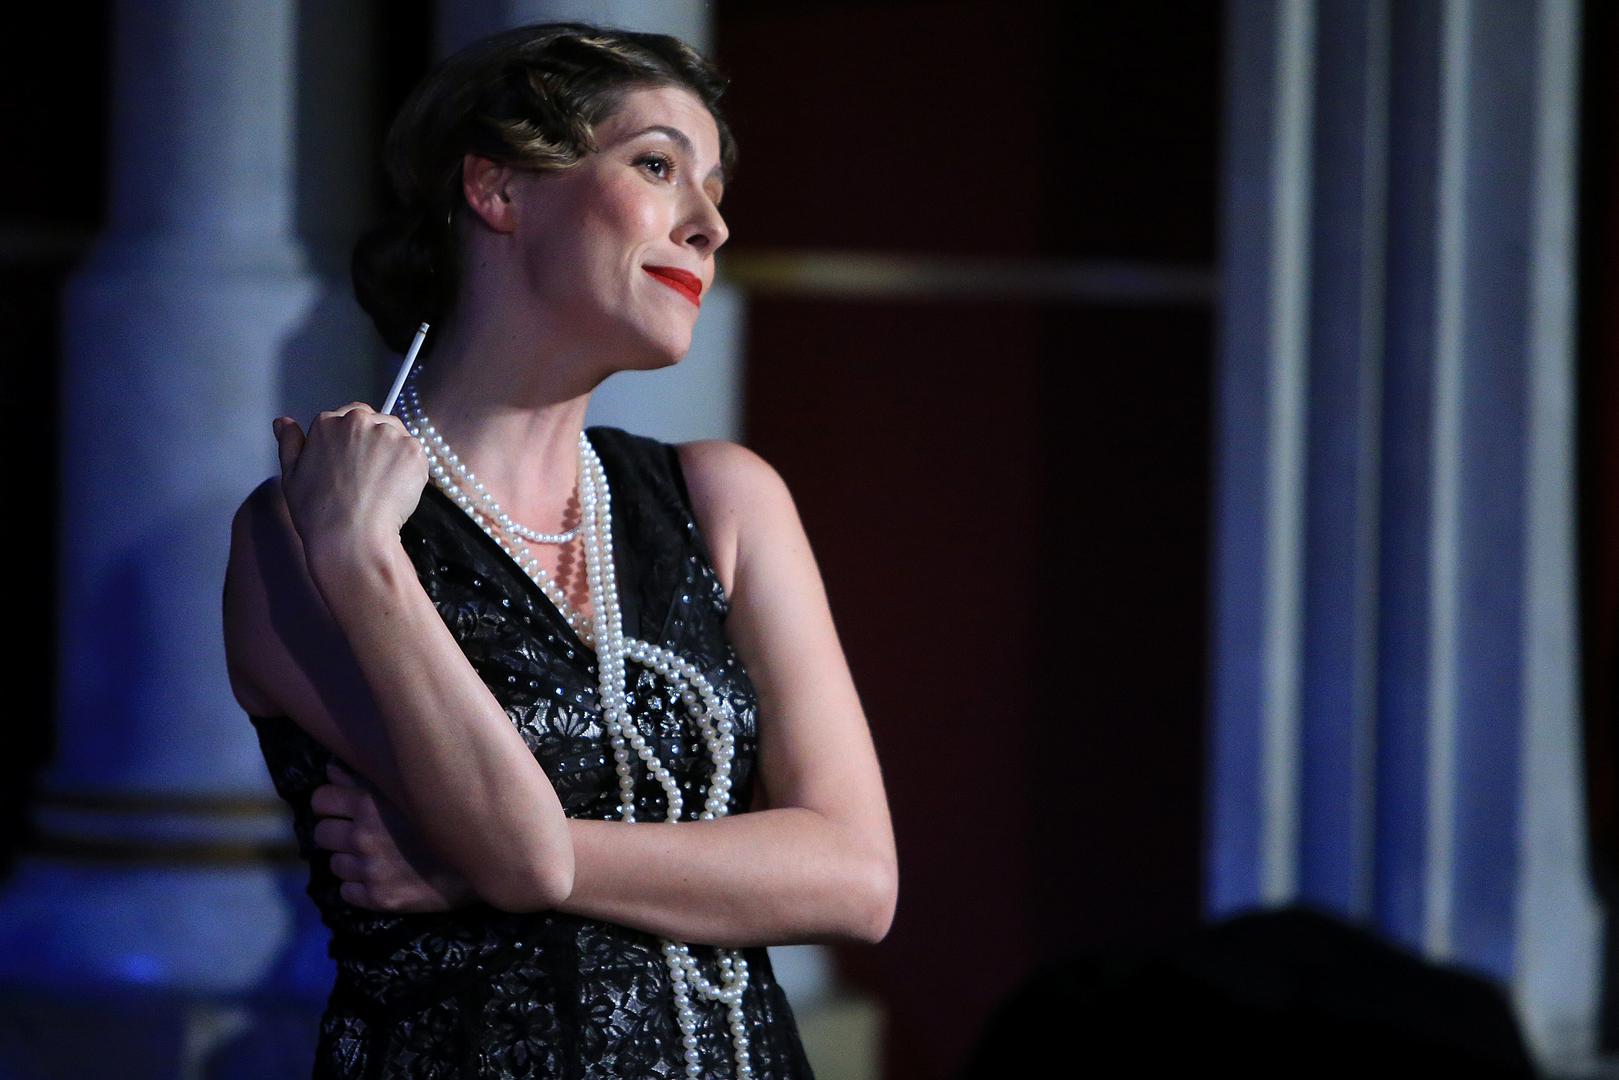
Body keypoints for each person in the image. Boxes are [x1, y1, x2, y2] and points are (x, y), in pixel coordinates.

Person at [221, 22, 896, 1078]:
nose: (710, 224)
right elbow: (518, 852)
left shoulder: (724, 499)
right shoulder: (299, 538)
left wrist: (478, 866)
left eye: (714, 188)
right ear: (497, 189)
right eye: (658, 166)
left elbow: (855, 878)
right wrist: (362, 560)